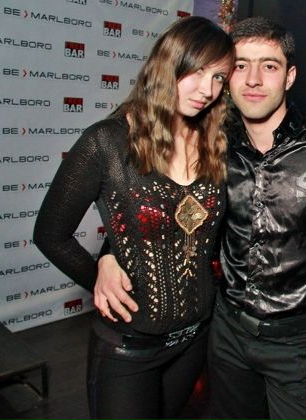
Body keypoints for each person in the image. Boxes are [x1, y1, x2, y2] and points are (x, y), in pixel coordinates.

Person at [93, 16, 306, 420]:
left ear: (290, 76)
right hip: (226, 333)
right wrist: (108, 254)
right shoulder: (208, 143)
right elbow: (154, 211)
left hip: (297, 343)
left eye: (269, 66)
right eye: (240, 66)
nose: (253, 80)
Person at [33, 16, 235, 420]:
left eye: (218, 78)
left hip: (195, 339)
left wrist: (110, 250)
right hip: (127, 350)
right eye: (197, 72)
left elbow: (165, 224)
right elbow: (50, 234)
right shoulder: (107, 141)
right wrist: (99, 273)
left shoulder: (218, 142)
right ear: (168, 64)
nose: (207, 90)